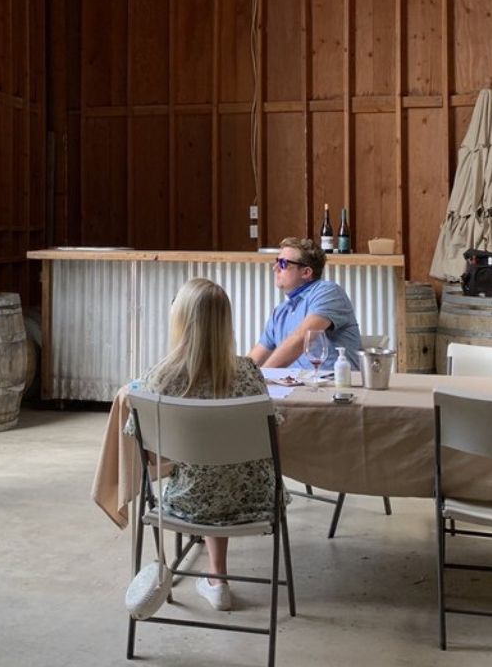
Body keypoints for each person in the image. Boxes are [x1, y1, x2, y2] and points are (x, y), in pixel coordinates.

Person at [123, 278, 281, 612]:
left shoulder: (160, 379)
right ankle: (216, 577)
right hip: (255, 501)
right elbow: (272, 439)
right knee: (222, 470)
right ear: (226, 322)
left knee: (203, 472)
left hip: (188, 503)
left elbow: (150, 456)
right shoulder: (249, 372)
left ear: (180, 320)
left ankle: (216, 578)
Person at [248, 237, 363, 373]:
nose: (275, 268)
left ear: (306, 272)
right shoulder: (279, 313)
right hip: (295, 389)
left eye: (283, 264)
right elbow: (253, 361)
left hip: (334, 388)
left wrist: (261, 377)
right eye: (277, 261)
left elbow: (302, 338)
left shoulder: (328, 292)